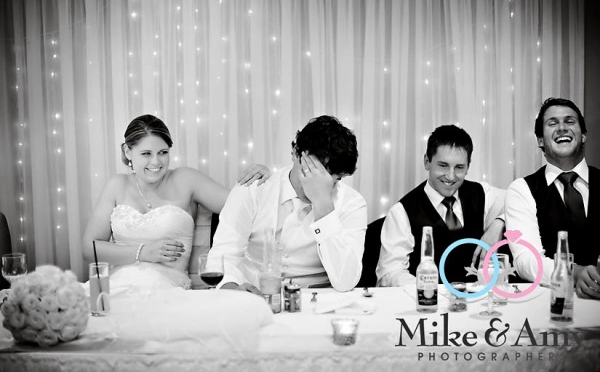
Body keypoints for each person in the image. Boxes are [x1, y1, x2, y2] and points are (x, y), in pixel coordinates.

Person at [82, 114, 270, 290]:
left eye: (163, 152)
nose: (156, 162)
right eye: (146, 153)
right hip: (117, 286)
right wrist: (143, 252)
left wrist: (264, 181)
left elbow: (244, 207)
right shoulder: (117, 185)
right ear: (127, 151)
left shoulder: (186, 180)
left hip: (166, 288)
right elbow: (89, 249)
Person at [207, 115, 367, 293]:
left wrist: (323, 205)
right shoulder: (253, 189)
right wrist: (232, 289)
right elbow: (223, 255)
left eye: (334, 180)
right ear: (296, 153)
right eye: (314, 171)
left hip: (318, 300)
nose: (322, 183)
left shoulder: (352, 203)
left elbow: (346, 281)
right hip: (255, 295)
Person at [376, 125, 505, 286]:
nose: (451, 176)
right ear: (427, 162)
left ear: (468, 167)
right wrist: (428, 287)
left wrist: (499, 223)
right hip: (429, 298)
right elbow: (389, 273)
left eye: (459, 167)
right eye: (443, 165)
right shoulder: (401, 212)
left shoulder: (482, 192)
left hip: (477, 297)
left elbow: (517, 201)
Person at [505, 97, 600, 299]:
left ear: (583, 135)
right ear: (540, 140)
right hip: (549, 305)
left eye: (570, 121)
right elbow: (525, 260)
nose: (562, 128)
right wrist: (572, 273)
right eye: (552, 123)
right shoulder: (522, 190)